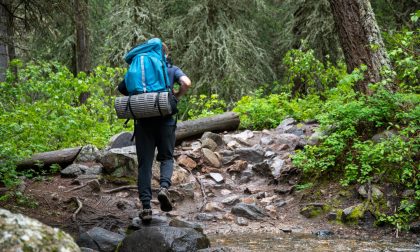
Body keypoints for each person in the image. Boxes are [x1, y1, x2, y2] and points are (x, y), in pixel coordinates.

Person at [119, 42, 191, 223]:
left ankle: (146, 208)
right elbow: (186, 83)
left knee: (145, 164)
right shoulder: (171, 69)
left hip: (143, 124)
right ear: (164, 55)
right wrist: (176, 96)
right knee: (166, 157)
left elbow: (121, 89)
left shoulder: (136, 68)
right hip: (165, 120)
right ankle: (164, 188)